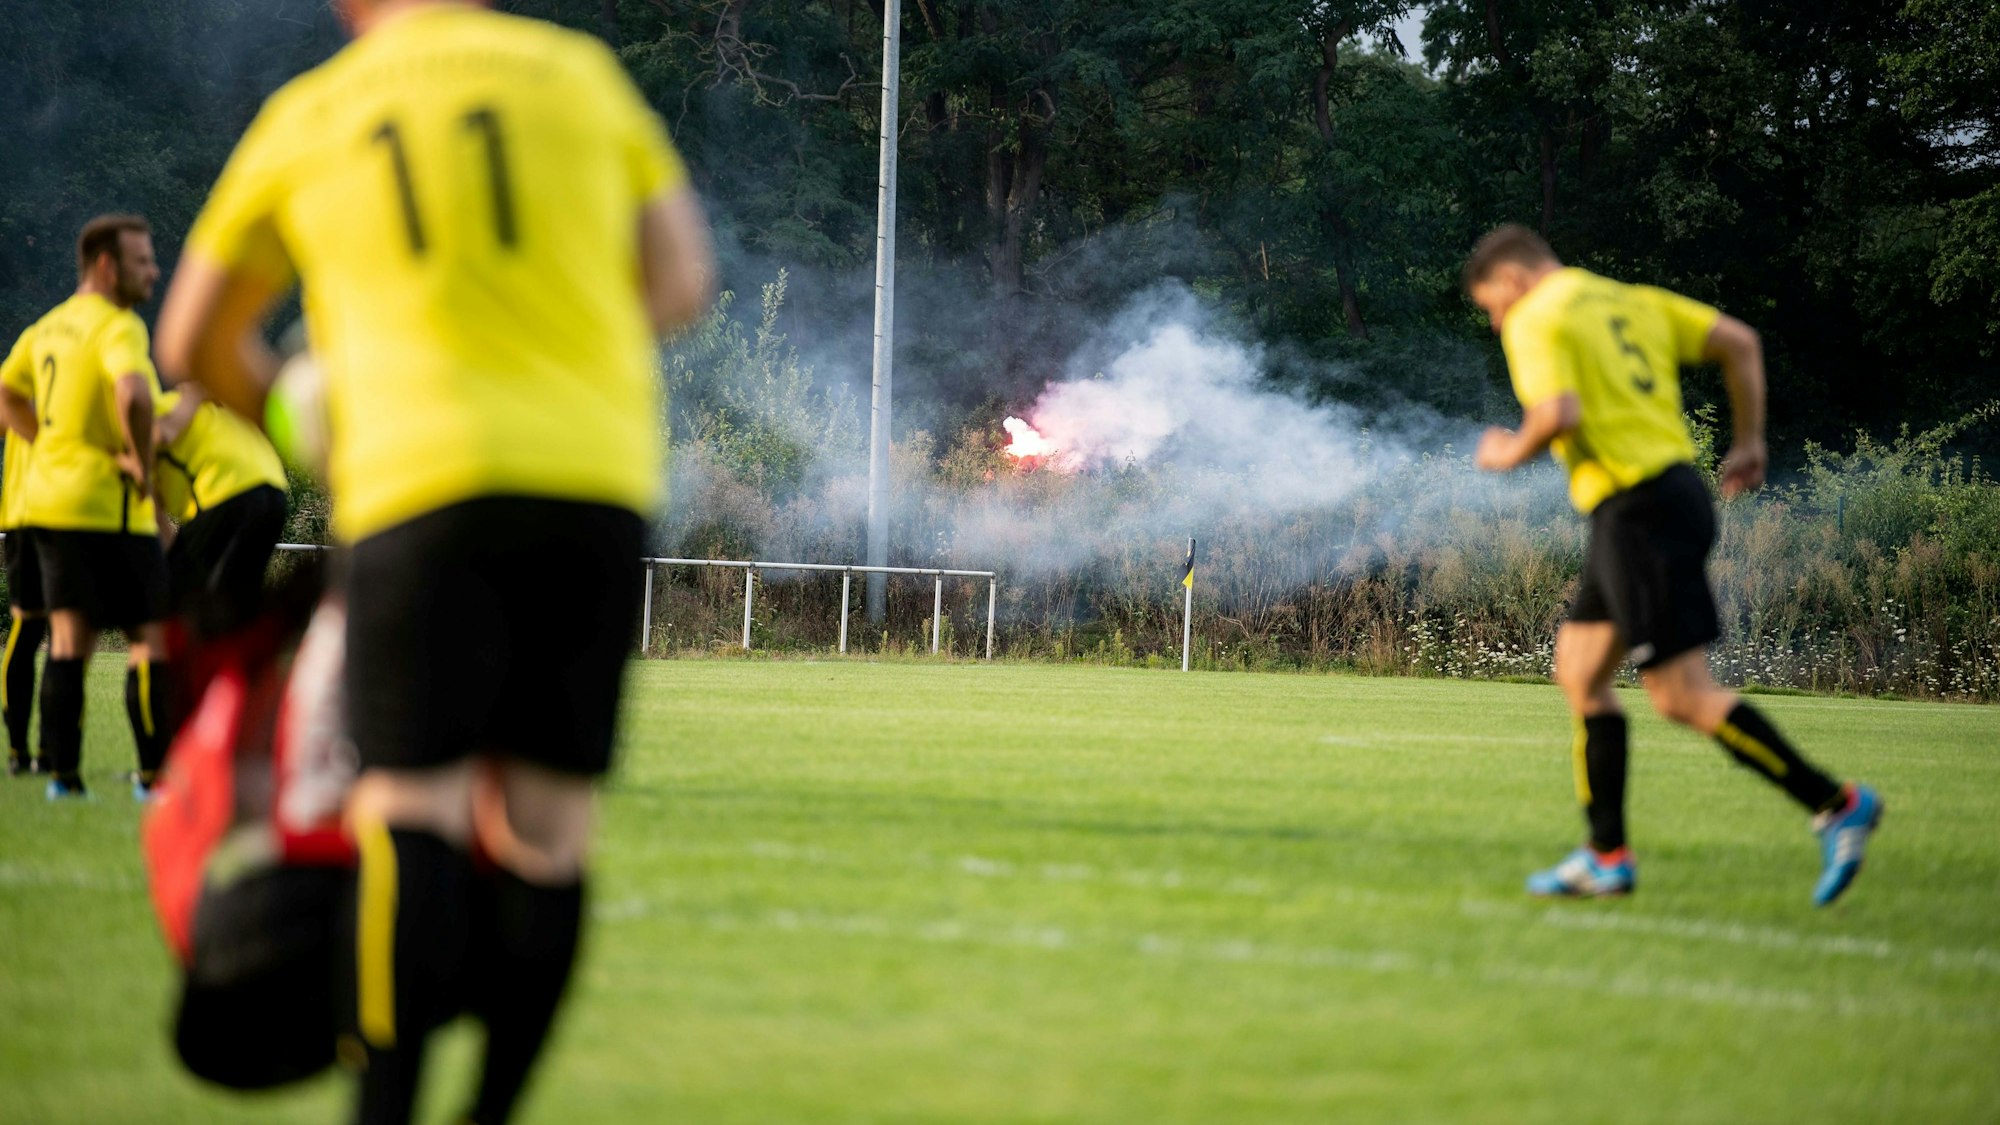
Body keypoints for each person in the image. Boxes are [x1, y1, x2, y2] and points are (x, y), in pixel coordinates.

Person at [155, 0, 714, 1120]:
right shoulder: (578, 74)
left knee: (409, 814)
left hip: (420, 480)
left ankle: (390, 1111)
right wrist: (553, 337)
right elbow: (680, 284)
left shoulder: (313, 113)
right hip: (591, 478)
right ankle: (491, 1112)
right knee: (549, 835)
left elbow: (191, 342)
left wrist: (295, 408)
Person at [1464, 224, 1882, 907]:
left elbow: (1557, 412)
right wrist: (1747, 440)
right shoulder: (1628, 299)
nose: (1497, 320)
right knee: (1579, 667)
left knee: (1681, 694)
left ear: (1512, 279)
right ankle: (1606, 856)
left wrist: (1505, 453)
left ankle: (1837, 802)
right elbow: (1740, 342)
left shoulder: (1538, 313)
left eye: (1492, 306)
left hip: (1639, 510)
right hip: (1658, 500)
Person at [0, 213, 174, 800]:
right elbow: (135, 391)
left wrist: (46, 443)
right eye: (143, 259)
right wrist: (139, 465)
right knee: (149, 638)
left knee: (69, 641)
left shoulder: (46, 328)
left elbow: (5, 391)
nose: (155, 269)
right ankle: (153, 780)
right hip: (108, 508)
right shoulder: (118, 325)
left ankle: (63, 780)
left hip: (48, 505)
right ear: (107, 265)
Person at [153, 385, 290, 638]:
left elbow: (160, 432)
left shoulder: (145, 421)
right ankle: (237, 670)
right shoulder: (180, 403)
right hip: (274, 490)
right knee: (234, 609)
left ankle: (154, 675)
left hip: (225, 492)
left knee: (163, 612)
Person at [2, 417, 48, 775]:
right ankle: (33, 751)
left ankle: (31, 752)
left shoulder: (26, 363)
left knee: (50, 631)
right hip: (56, 510)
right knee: (62, 633)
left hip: (31, 511)